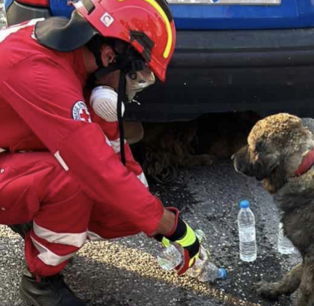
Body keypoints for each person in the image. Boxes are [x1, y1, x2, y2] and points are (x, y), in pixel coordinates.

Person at [0, 0, 201, 305]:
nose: (135, 89)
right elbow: (96, 169)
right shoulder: (41, 72)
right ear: (110, 55)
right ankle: (41, 283)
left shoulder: (74, 59)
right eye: (138, 77)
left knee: (126, 209)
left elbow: (118, 163)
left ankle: (34, 220)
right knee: (70, 179)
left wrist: (153, 219)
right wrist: (173, 228)